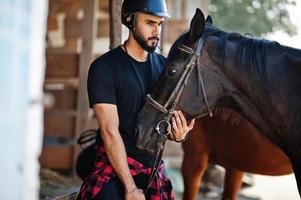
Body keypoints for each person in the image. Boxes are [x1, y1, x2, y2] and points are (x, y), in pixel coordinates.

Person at [76, 0, 195, 199]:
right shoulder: (105, 67)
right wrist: (130, 188)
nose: (156, 30)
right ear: (129, 20)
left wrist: (179, 134)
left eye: (159, 24)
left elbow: (169, 123)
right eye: (149, 23)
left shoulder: (164, 67)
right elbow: (109, 131)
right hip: (113, 165)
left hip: (153, 167)